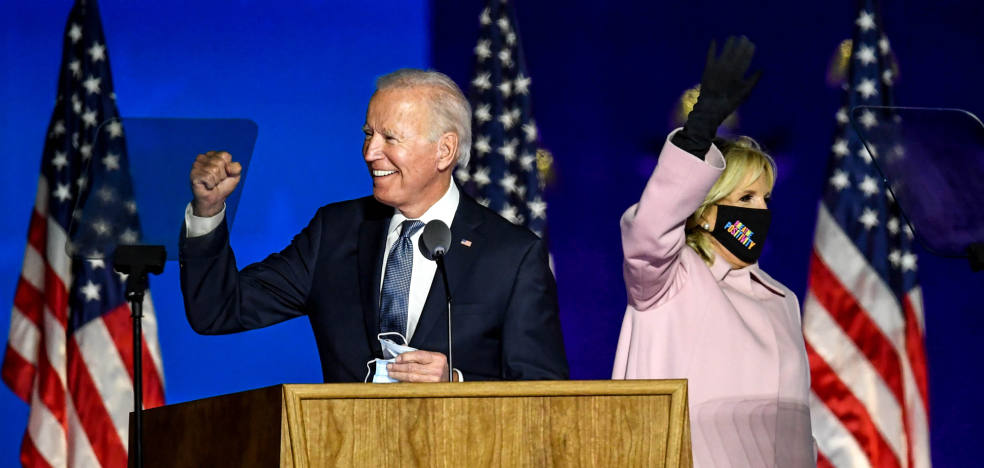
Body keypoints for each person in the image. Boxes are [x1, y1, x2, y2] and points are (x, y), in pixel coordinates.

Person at [180, 69, 568, 383]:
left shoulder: (511, 256)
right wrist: (208, 212)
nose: (369, 153)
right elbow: (219, 310)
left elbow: (543, 395)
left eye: (389, 138)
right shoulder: (335, 232)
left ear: (444, 150)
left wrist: (457, 385)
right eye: (368, 134)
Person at [612, 37, 814, 467]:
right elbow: (650, 229)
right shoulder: (670, 279)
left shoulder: (784, 302)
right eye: (745, 199)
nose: (760, 211)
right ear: (704, 213)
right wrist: (699, 128)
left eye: (765, 199)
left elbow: (797, 436)